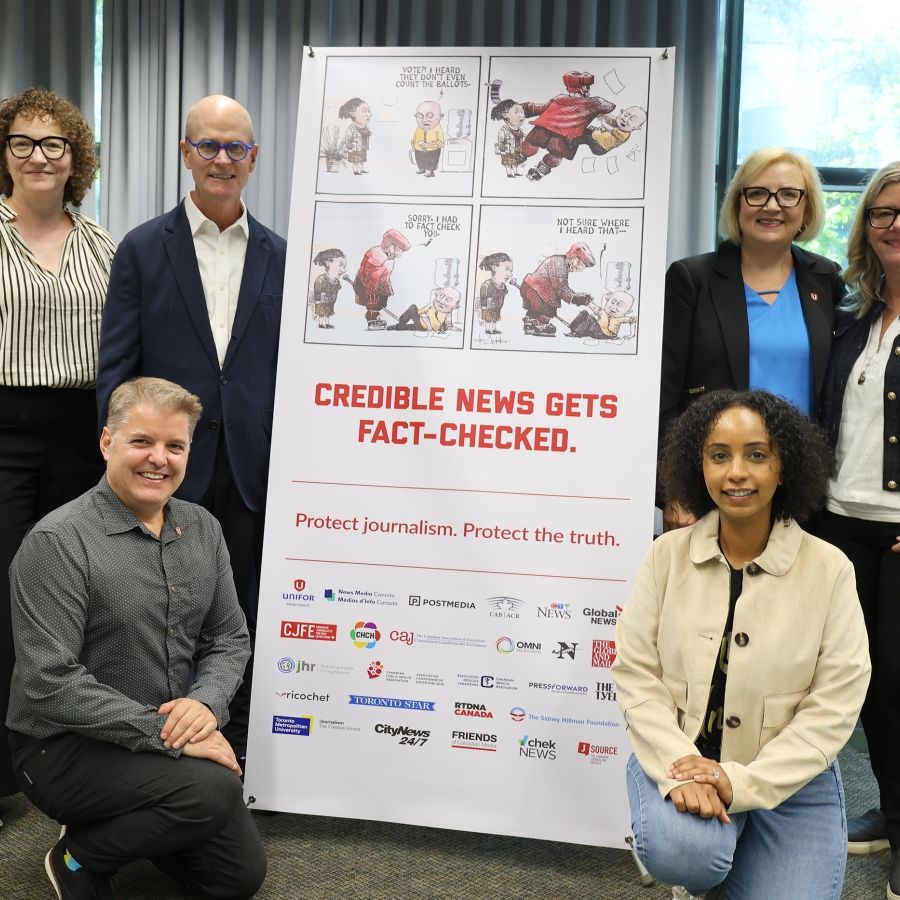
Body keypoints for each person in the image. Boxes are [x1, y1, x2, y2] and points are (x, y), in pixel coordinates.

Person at [6, 377, 265, 899]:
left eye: (175, 446)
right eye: (141, 441)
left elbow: (229, 638)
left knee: (236, 878)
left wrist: (204, 706)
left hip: (157, 743)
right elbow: (47, 682)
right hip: (62, 749)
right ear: (107, 442)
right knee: (214, 790)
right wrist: (171, 733)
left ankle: (131, 818)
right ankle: (77, 858)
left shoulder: (203, 529)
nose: (158, 459)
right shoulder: (58, 541)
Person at [613, 389, 870, 900]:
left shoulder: (830, 570)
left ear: (784, 466)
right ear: (699, 466)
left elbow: (836, 702)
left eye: (756, 455)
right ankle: (703, 861)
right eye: (719, 455)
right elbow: (636, 673)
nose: (736, 472)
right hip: (684, 758)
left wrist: (742, 784)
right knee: (688, 854)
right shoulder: (665, 557)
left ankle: (736, 850)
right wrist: (676, 769)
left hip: (789, 777)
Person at [97, 94, 287, 764]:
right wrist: (121, 464)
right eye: (208, 145)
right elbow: (117, 368)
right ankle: (162, 750)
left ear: (254, 158)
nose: (221, 159)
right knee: (160, 616)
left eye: (236, 147)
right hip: (165, 469)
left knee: (239, 615)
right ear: (186, 153)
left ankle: (236, 750)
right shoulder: (143, 249)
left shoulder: (282, 256)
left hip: (251, 470)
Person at [0, 88, 115, 806]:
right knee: (3, 595)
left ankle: (72, 764)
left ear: (75, 158)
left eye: (54, 144)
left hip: (81, 434)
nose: (38, 156)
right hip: (3, 431)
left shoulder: (104, 245)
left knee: (73, 600)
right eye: (22, 142)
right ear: (4, 153)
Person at [660, 147, 845, 531]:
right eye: (757, 193)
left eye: (788, 194)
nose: (772, 206)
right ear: (738, 203)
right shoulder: (692, 279)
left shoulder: (826, 279)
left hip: (803, 490)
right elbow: (663, 394)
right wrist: (671, 490)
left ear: (807, 208)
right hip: (714, 485)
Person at [815, 162, 900, 897]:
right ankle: (893, 810)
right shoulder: (854, 316)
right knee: (867, 685)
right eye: (883, 212)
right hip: (844, 525)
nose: (894, 225)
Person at [516, 71, 615, 181]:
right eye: (587, 87)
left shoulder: (559, 98)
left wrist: (520, 109)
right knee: (555, 156)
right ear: (583, 88)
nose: (589, 90)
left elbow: (541, 108)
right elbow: (609, 106)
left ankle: (519, 157)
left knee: (531, 144)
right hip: (567, 137)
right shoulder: (594, 103)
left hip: (545, 128)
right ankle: (539, 172)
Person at [520, 242, 594, 336]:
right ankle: (538, 325)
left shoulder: (561, 262)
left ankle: (531, 323)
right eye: (582, 264)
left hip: (534, 288)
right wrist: (577, 298)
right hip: (535, 291)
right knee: (547, 311)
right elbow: (560, 288)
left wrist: (577, 297)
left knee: (543, 310)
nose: (581, 269)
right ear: (575, 258)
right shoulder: (559, 265)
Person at [353, 228, 410, 330]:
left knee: (382, 301)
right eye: (399, 250)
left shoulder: (390, 257)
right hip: (365, 284)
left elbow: (385, 276)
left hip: (379, 284)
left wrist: (386, 290)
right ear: (391, 246)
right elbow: (371, 279)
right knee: (374, 301)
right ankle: (372, 318)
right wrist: (374, 294)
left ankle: (376, 314)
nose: (400, 254)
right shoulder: (376, 256)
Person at [386, 286, 460, 332]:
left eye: (448, 300)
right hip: (420, 323)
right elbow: (419, 312)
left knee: (413, 307)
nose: (442, 301)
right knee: (407, 327)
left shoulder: (445, 313)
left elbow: (437, 327)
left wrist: (430, 313)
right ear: (436, 294)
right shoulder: (432, 305)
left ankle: (401, 322)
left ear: (455, 306)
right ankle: (397, 327)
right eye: (441, 296)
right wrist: (424, 313)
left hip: (425, 326)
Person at [477, 252, 513, 334]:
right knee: (488, 318)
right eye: (506, 269)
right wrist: (483, 306)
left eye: (510, 271)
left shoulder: (503, 286)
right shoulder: (486, 285)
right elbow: (483, 297)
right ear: (494, 268)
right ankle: (487, 329)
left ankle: (493, 329)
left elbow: (503, 294)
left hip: (497, 307)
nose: (510, 274)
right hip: (488, 307)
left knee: (495, 318)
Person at [310, 247, 346, 328]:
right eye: (340, 265)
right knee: (322, 312)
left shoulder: (336, 281)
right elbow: (317, 292)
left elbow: (336, 290)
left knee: (328, 312)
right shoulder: (320, 279)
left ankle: (326, 323)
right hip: (322, 301)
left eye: (344, 267)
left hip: (330, 301)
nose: (344, 271)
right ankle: (321, 323)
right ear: (328, 264)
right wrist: (319, 301)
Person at [490, 100, 527, 177]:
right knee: (508, 163)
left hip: (517, 150)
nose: (521, 115)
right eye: (516, 112)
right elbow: (501, 142)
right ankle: (509, 173)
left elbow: (524, 140)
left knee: (515, 162)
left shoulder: (520, 130)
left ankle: (515, 172)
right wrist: (503, 151)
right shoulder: (503, 130)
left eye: (521, 112)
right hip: (508, 151)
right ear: (505, 116)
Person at [339, 97, 371, 175]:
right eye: (364, 111)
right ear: (353, 113)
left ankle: (362, 169)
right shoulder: (351, 128)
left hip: (363, 148)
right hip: (355, 149)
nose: (368, 114)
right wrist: (349, 149)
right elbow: (348, 139)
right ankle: (356, 171)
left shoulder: (366, 128)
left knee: (362, 160)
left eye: (369, 111)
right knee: (356, 160)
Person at [411, 100, 443, 178]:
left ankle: (430, 171)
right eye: (420, 116)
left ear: (440, 117)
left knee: (430, 160)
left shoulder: (438, 128)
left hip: (432, 150)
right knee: (419, 159)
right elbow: (414, 137)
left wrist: (429, 145)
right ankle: (421, 169)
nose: (424, 120)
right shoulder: (419, 128)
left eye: (430, 116)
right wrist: (413, 145)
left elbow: (441, 142)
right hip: (419, 149)